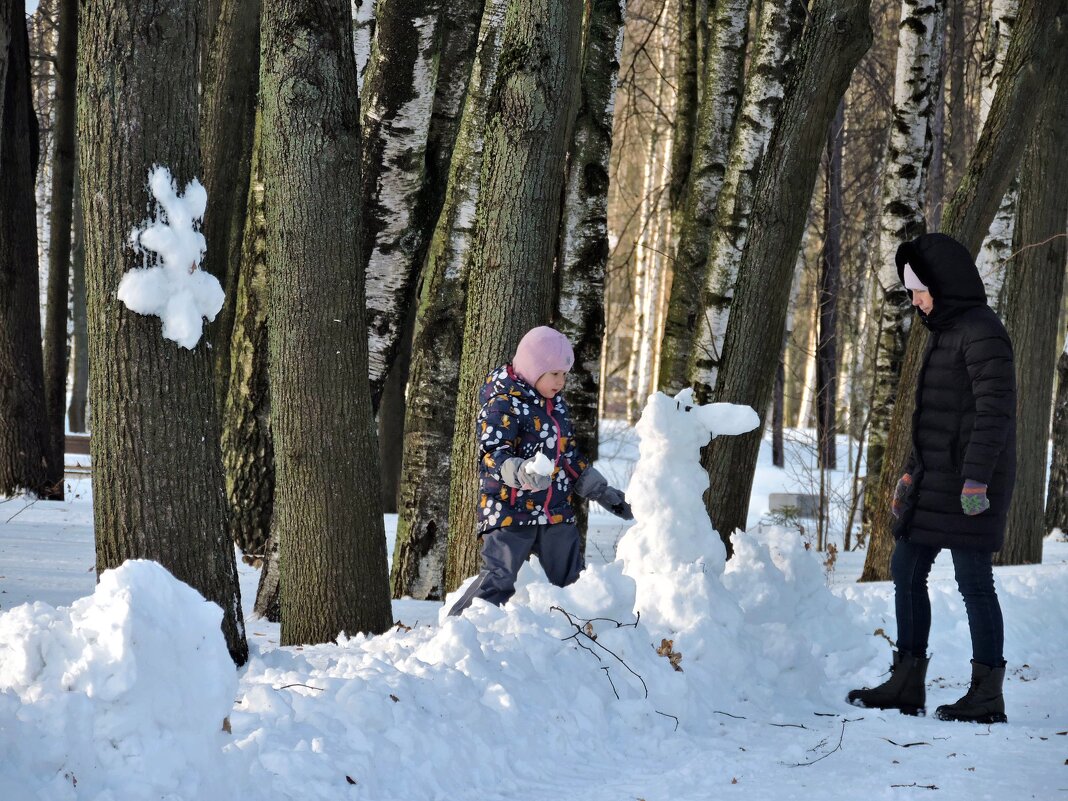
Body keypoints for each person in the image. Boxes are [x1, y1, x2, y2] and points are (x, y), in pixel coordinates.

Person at [848, 233, 1016, 723]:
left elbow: (995, 414)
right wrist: (909, 471)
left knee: (973, 579)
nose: (916, 301)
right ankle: (907, 680)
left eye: (920, 290)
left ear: (944, 284)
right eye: (911, 293)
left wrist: (977, 481)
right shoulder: (943, 331)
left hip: (970, 484)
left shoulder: (983, 331)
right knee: (906, 567)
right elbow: (932, 416)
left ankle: (987, 692)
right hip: (934, 478)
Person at [448, 326, 633, 616]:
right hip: (510, 510)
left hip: (555, 511)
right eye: (554, 373)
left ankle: (588, 633)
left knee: (574, 580)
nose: (562, 381)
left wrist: (603, 493)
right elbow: (492, 455)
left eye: (564, 373)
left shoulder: (556, 407)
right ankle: (461, 630)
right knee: (500, 577)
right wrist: (521, 471)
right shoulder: (503, 403)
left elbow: (569, 458)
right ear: (534, 370)